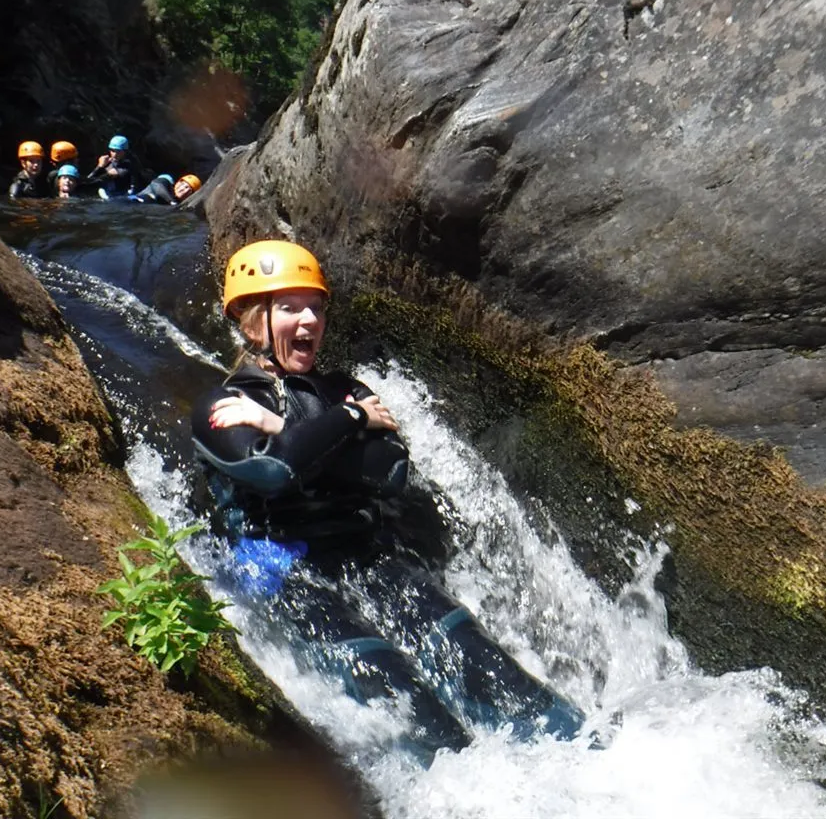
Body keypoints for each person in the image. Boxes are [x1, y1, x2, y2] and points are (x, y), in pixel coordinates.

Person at [191, 240, 587, 763]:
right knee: (409, 706)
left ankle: (599, 764)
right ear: (249, 321)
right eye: (289, 307)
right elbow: (272, 471)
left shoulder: (343, 390)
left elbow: (389, 472)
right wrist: (351, 422)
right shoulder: (223, 404)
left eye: (316, 306)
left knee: (493, 673)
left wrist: (289, 428)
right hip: (276, 568)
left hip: (364, 556)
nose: (309, 319)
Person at [87, 134, 137, 198]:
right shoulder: (108, 163)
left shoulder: (127, 166)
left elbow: (92, 182)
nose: (115, 155)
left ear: (125, 151)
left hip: (121, 198)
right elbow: (89, 182)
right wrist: (100, 166)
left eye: (118, 151)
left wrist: (100, 167)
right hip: (108, 195)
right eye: (113, 151)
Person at [131, 172, 202, 206]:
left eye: (189, 190)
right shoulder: (166, 184)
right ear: (178, 183)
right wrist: (171, 201)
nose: (184, 190)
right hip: (132, 201)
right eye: (183, 185)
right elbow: (157, 185)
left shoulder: (179, 206)